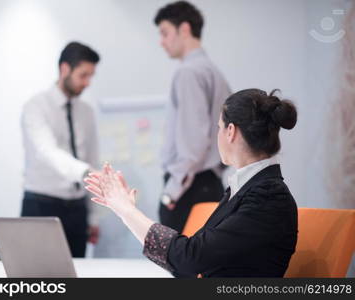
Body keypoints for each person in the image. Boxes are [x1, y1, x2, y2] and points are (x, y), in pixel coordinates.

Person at [84, 88, 298, 278]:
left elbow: (190, 258)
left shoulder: (267, 197)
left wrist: (127, 211)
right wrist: (126, 211)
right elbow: (190, 260)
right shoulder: (250, 188)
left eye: (219, 127)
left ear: (230, 131)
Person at [153, 1, 231, 232]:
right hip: (209, 182)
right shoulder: (214, 72)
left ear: (184, 29)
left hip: (189, 188)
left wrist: (170, 193)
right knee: (204, 265)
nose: (162, 41)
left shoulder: (188, 72)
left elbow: (193, 143)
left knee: (181, 264)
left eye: (165, 33)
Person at [21, 42, 103, 257]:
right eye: (83, 75)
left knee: (75, 274)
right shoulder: (36, 107)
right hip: (41, 206)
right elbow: (47, 151)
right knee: (35, 275)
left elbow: (93, 158)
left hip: (77, 209)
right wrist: (85, 173)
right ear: (65, 69)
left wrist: (93, 217)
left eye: (91, 76)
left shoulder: (87, 112)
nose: (87, 83)